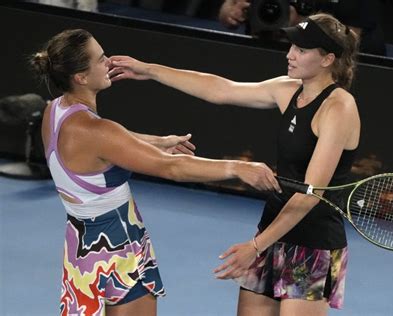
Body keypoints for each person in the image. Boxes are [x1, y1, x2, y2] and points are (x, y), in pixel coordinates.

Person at [109, 12, 360, 315]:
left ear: (327, 59)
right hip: (273, 227)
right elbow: (221, 89)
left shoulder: (339, 107)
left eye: (301, 50)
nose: (289, 55)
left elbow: (310, 194)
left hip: (313, 245)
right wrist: (149, 70)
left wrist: (255, 247)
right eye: (292, 46)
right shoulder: (288, 88)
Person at [30, 29, 281, 316]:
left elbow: (109, 144)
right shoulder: (97, 131)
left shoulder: (56, 111)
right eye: (100, 59)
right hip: (118, 247)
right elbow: (171, 167)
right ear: (81, 77)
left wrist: (158, 142)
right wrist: (237, 167)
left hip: (83, 245)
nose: (109, 61)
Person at [219, 0, 385, 55]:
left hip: (353, 65)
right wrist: (232, 8)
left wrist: (299, 24)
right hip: (270, 52)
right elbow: (227, 15)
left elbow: (349, 39)